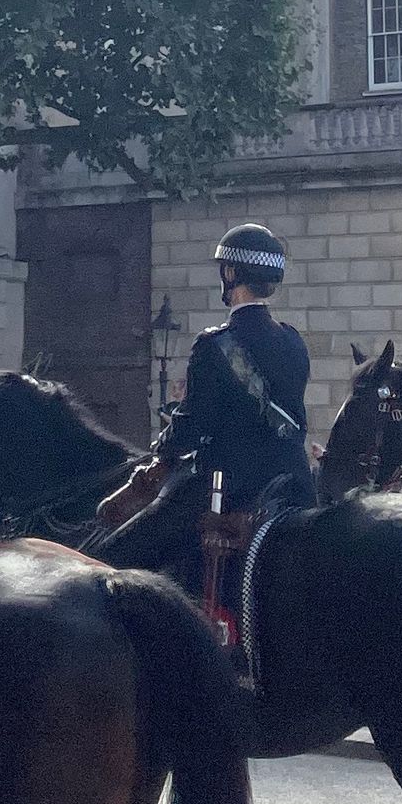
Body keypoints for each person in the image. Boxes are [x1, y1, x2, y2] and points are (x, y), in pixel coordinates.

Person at [96, 223, 313, 583]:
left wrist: (161, 452)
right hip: (293, 485)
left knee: (111, 560)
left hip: (228, 488)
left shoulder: (214, 345)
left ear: (230, 273)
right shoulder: (293, 340)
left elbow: (194, 425)